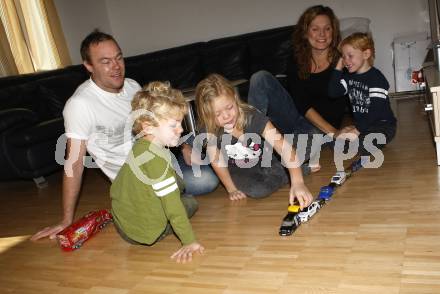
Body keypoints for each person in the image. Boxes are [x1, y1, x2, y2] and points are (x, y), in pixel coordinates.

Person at [31, 30, 218, 241]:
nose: (116, 66)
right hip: (137, 179)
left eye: (118, 57)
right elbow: (73, 163)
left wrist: (183, 145)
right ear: (89, 66)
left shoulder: (132, 86)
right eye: (106, 61)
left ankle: (194, 146)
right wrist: (66, 220)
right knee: (206, 182)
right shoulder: (80, 105)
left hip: (162, 153)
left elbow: (159, 122)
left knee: (206, 169)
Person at [111, 81, 204, 263]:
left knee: (177, 192)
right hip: (143, 232)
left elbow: (117, 187)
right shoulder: (156, 160)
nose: (182, 129)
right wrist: (189, 241)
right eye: (173, 125)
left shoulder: (140, 147)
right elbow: (173, 208)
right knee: (190, 203)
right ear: (148, 126)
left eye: (180, 122)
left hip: (123, 224)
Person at [247, 5, 348, 166]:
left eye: (327, 29)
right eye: (315, 29)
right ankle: (250, 142)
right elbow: (301, 103)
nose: (322, 34)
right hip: (295, 117)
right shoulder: (297, 59)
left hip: (321, 129)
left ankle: (272, 150)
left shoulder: (343, 61)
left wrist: (334, 132)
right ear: (305, 32)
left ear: (333, 32)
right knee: (260, 78)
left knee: (287, 158)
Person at [194, 74, 313, 208]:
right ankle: (299, 169)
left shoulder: (251, 115)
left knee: (310, 141)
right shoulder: (207, 130)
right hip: (239, 170)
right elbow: (217, 162)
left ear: (235, 98)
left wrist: (298, 183)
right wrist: (231, 189)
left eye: (229, 107)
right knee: (258, 190)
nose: (226, 116)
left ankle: (290, 170)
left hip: (265, 156)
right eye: (218, 114)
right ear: (207, 115)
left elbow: (282, 147)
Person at [328, 32, 396, 156]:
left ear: (366, 54)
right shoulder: (349, 77)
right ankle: (364, 140)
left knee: (359, 147)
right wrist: (338, 67)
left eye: (350, 56)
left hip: (383, 126)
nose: (346, 60)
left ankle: (372, 142)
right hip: (364, 126)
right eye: (343, 56)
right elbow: (333, 92)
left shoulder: (377, 79)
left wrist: (357, 130)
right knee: (335, 143)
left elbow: (375, 110)